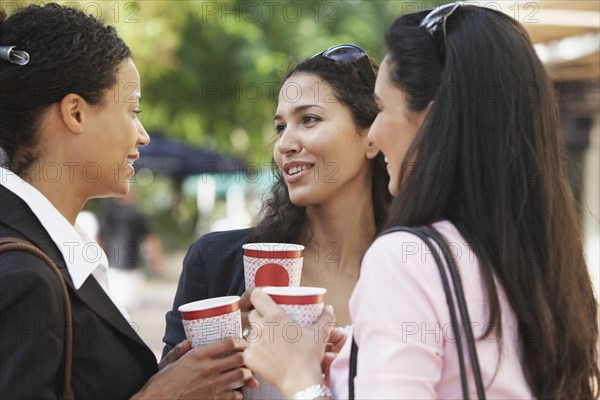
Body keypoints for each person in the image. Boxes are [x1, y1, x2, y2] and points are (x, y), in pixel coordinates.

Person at [243, 3, 600, 399]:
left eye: (379, 109)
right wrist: (356, 367)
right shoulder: (540, 257)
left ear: (431, 123)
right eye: (280, 127)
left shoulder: (405, 257)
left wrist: (300, 378)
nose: (375, 132)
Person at [0, 4, 253, 398]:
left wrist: (168, 378)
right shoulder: (22, 274)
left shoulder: (49, 247)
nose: (143, 135)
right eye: (132, 110)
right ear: (75, 113)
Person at [162, 44, 391, 355]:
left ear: (371, 137)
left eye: (309, 119)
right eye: (280, 127)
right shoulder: (215, 262)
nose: (284, 144)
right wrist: (222, 350)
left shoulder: (421, 269)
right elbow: (170, 385)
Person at [98, 188, 165, 309]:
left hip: (111, 269)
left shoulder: (106, 214)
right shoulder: (137, 215)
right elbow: (150, 241)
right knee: (127, 312)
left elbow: (98, 241)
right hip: (131, 270)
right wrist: (157, 266)